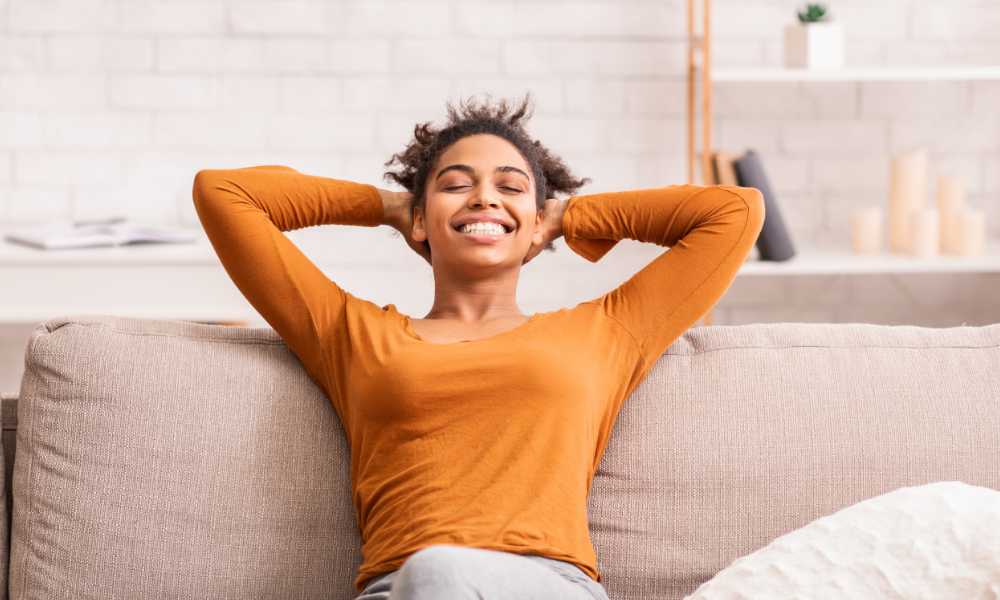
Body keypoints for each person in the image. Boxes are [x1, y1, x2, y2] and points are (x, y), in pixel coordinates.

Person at [191, 93, 765, 600]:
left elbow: (734, 212)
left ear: (536, 222)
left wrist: (564, 215)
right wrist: (389, 206)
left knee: (437, 572)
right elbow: (225, 193)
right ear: (422, 219)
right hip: (399, 589)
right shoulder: (352, 336)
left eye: (510, 188)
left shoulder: (604, 333)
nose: (485, 198)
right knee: (431, 577)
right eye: (457, 185)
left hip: (547, 585)